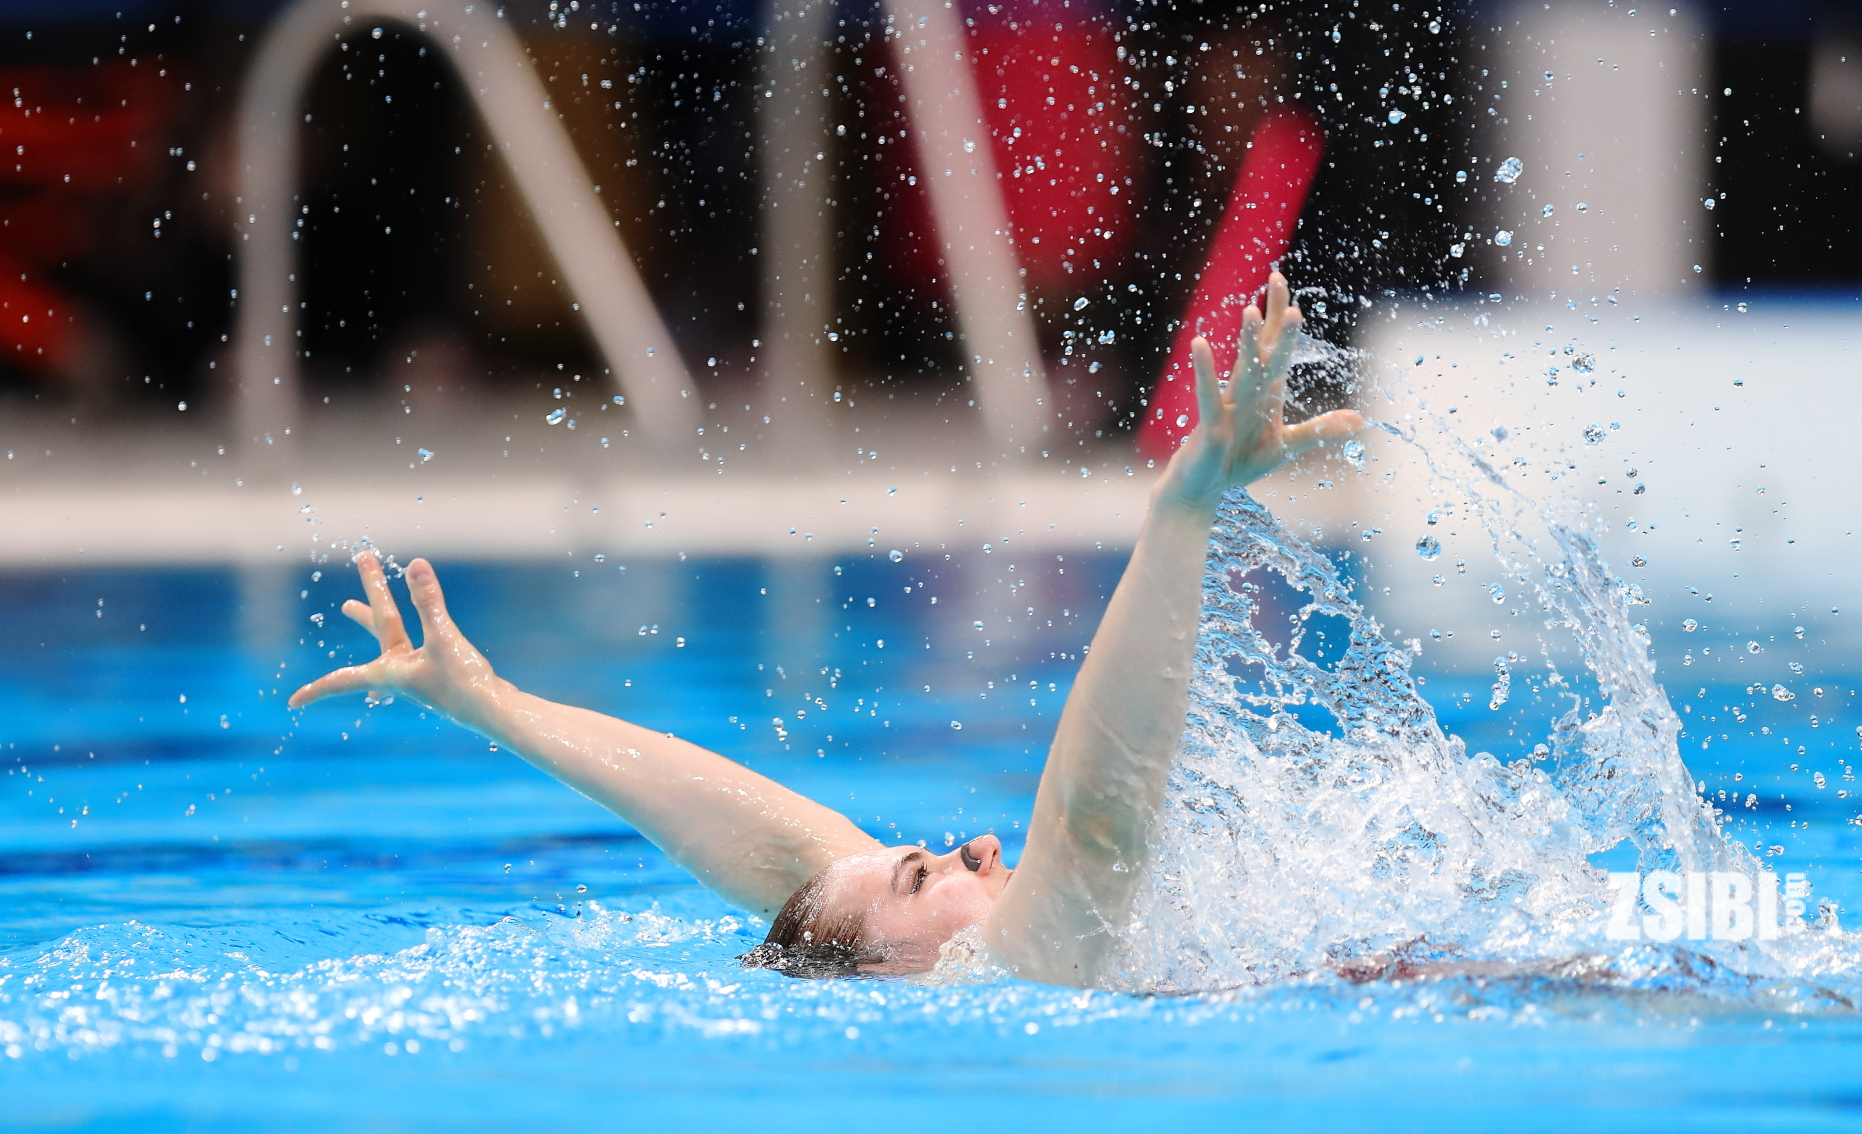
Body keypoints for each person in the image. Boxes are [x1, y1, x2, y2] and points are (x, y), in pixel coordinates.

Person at [289, 273, 1361, 986]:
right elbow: (1095, 822)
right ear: (887, 976)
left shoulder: (945, 968)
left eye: (921, 860)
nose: (978, 845)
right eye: (920, 873)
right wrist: (1180, 510)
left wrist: (494, 704)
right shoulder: (1028, 965)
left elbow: (778, 849)